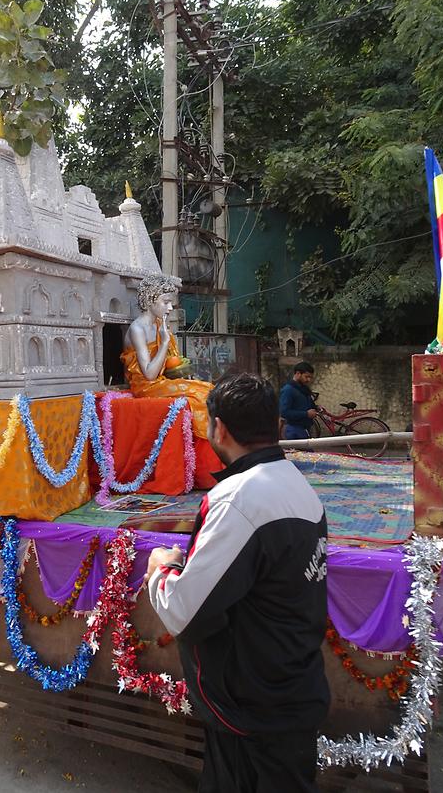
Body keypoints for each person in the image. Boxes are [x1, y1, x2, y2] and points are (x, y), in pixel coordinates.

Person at [145, 372, 329, 792]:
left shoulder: (241, 500)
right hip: (290, 687)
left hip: (254, 706)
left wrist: (162, 566)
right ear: (278, 427)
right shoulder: (298, 486)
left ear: (219, 429)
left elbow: (183, 612)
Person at [121, 275, 213, 438]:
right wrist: (164, 342)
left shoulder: (159, 325)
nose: (170, 308)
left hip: (162, 381)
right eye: (166, 302)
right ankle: (205, 439)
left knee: (208, 388)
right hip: (145, 386)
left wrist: (182, 370)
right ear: (150, 300)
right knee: (200, 394)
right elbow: (149, 374)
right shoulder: (138, 329)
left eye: (171, 303)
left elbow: (170, 363)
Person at [279, 361, 318, 440]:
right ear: (298, 374)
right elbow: (284, 412)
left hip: (304, 429)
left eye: (310, 377)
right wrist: (306, 414)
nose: (308, 380)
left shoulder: (303, 389)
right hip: (293, 430)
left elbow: (306, 404)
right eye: (306, 377)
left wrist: (316, 407)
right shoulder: (288, 390)